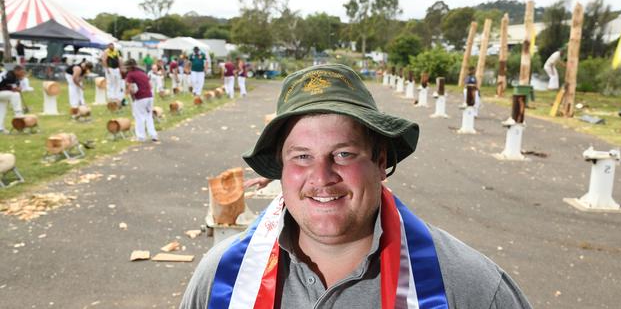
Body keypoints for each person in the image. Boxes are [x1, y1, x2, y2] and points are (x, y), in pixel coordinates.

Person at [180, 64, 531, 308]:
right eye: (302, 157)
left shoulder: (470, 287)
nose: (322, 176)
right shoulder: (220, 280)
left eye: (344, 154)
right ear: (281, 171)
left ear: (380, 162)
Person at [124, 59, 158, 143]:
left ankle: (141, 137)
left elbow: (130, 87)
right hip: (149, 96)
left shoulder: (130, 74)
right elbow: (150, 86)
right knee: (149, 116)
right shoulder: (143, 73)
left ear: (129, 67)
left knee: (139, 117)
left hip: (140, 97)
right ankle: (153, 135)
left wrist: (130, 95)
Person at [0, 66, 26, 134]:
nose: (23, 74)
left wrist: (17, 88)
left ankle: (0, 128)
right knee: (15, 95)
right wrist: (15, 89)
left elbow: (15, 87)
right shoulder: (10, 75)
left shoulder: (15, 77)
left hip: (2, 93)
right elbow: (13, 88)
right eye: (22, 72)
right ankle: (18, 114)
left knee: (2, 110)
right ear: (16, 71)